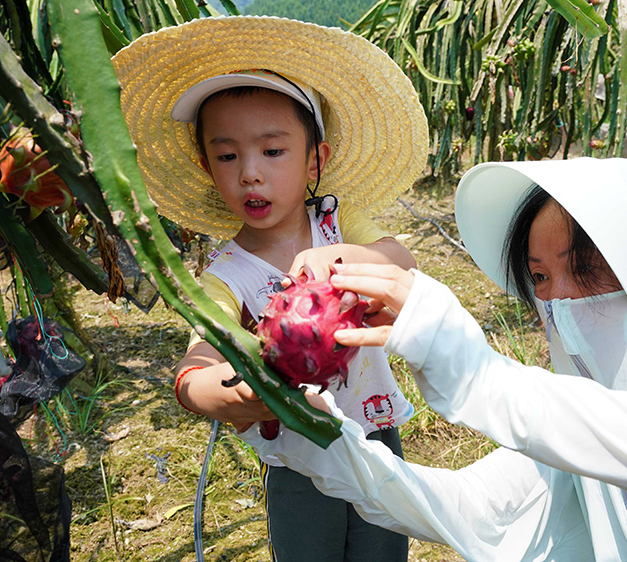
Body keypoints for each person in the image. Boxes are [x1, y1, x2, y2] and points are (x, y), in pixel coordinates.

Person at [244, 157, 627, 562]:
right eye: (542, 277)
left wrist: (483, 378)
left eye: (587, 268)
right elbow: (469, 507)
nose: (558, 300)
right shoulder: (576, 424)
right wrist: (319, 441)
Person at [111, 16, 429, 561]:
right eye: (228, 155)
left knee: (384, 549)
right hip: (295, 460)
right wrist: (228, 393)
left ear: (315, 161)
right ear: (207, 167)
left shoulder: (336, 221)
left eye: (273, 151)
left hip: (376, 433)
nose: (249, 173)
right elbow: (195, 368)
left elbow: (400, 261)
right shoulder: (225, 275)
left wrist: (342, 259)